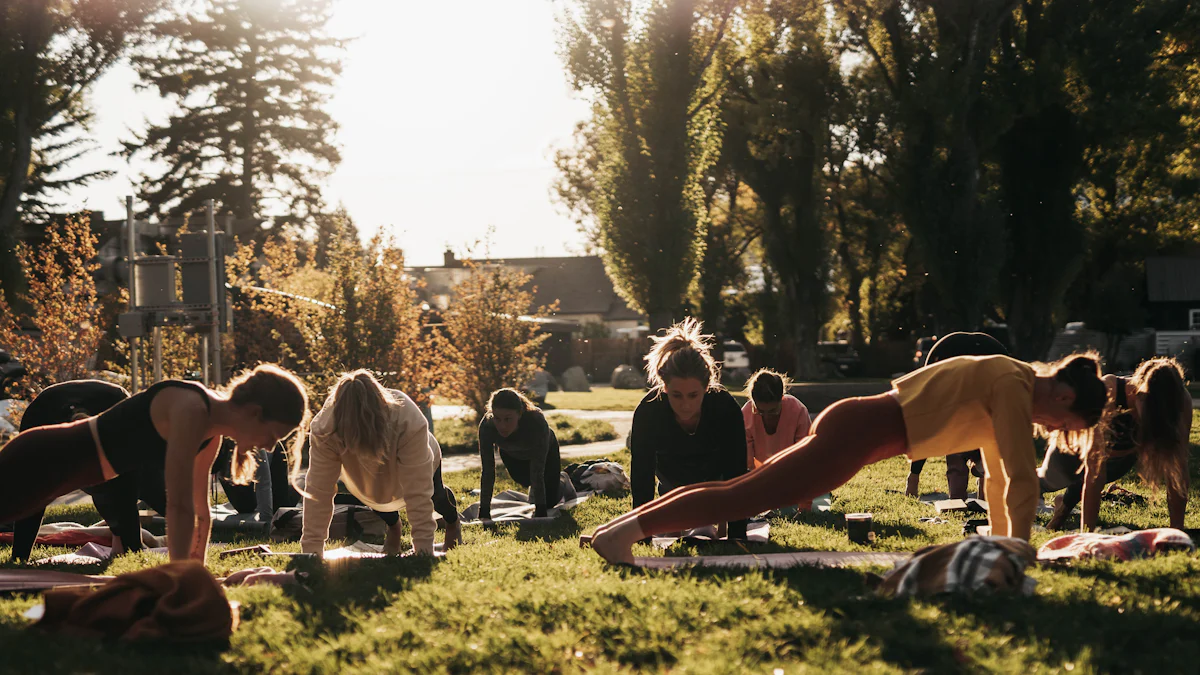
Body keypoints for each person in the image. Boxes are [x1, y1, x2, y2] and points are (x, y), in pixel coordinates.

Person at [586, 353, 1108, 564]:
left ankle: (619, 530)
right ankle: (622, 535)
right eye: (1067, 426)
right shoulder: (1013, 383)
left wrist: (1002, 546)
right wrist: (1018, 552)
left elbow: (998, 477)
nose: (1056, 432)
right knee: (744, 495)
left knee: (741, 492)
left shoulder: (1010, 379)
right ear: (1063, 397)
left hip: (858, 432)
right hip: (857, 432)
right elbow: (1020, 477)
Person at [0, 364, 309, 563]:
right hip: (44, 456)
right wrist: (179, 575)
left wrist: (195, 570)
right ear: (255, 413)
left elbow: (200, 514)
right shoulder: (192, 409)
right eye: (273, 436)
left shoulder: (210, 436)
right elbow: (178, 507)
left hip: (69, 472)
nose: (270, 447)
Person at [301, 370, 461, 556]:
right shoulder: (325, 427)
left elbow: (417, 491)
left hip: (419, 457)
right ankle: (394, 528)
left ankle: (453, 523)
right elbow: (318, 491)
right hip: (368, 476)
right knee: (377, 497)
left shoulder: (406, 418)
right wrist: (311, 551)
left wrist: (423, 549)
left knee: (436, 496)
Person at [7, 379, 163, 561]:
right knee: (35, 490)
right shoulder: (39, 436)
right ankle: (124, 541)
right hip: (49, 411)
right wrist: (19, 557)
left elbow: (125, 492)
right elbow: (31, 498)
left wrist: (132, 548)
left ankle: (125, 541)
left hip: (109, 406)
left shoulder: (120, 430)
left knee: (141, 488)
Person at [1040, 356, 1192, 531]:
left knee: (1086, 484)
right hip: (1073, 447)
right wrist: (1087, 534)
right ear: (1139, 393)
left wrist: (1177, 530)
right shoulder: (1109, 391)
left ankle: (1063, 506)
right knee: (1050, 480)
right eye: (1150, 409)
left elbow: (1177, 471)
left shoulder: (1181, 401)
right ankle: (1026, 487)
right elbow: (1094, 473)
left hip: (1119, 457)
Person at [630, 318, 748, 539]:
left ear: (706, 387)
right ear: (665, 387)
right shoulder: (649, 411)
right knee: (674, 527)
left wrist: (737, 535)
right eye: (677, 395)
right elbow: (641, 475)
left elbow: (737, 472)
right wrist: (642, 536)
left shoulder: (724, 407)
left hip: (715, 477)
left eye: (693, 395)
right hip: (672, 477)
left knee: (708, 522)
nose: (685, 405)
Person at [904, 332, 1010, 499]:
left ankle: (980, 494)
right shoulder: (948, 400)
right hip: (948, 362)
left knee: (977, 453)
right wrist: (914, 476)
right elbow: (926, 430)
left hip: (986, 365)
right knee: (957, 455)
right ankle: (960, 496)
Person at [477, 388, 563, 521]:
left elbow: (538, 472)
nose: (502, 426)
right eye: (497, 419)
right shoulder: (487, 426)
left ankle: (564, 479)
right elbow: (487, 470)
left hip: (547, 452)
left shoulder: (536, 421)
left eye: (508, 419)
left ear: (520, 414)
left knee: (550, 501)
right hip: (512, 454)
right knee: (524, 480)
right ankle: (537, 490)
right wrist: (484, 512)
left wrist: (540, 513)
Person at [742, 369, 811, 470]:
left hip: (793, 469)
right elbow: (746, 461)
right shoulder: (746, 415)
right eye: (760, 411)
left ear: (782, 398)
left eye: (772, 411)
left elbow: (805, 452)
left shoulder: (797, 410)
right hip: (760, 472)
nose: (766, 416)